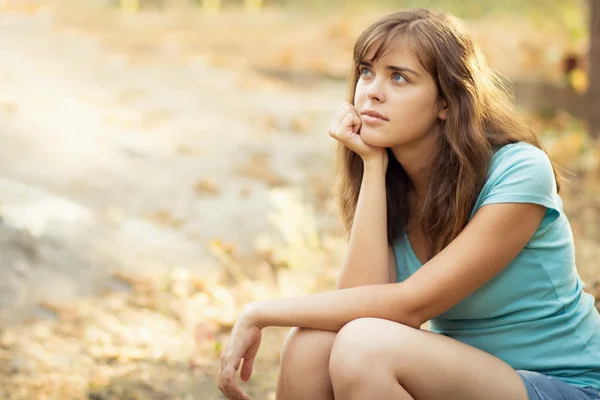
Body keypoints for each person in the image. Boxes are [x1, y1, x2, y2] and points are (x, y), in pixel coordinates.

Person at [216, 8, 600, 400]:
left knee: (364, 348)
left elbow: (407, 306)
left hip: (567, 387)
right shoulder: (394, 185)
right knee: (312, 345)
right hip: (471, 381)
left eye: (398, 77)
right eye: (367, 71)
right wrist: (372, 165)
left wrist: (260, 312)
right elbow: (358, 303)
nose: (372, 91)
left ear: (446, 103)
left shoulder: (519, 171)